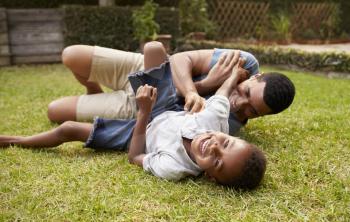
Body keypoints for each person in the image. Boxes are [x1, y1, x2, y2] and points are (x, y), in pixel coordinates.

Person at [0, 43, 266, 189]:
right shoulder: (216, 122)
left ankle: (15, 140)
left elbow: (134, 156)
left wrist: (143, 114)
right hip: (167, 107)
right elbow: (222, 93)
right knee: (153, 48)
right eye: (226, 142)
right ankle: (104, 88)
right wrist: (232, 76)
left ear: (210, 177)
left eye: (216, 161)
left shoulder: (174, 168)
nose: (215, 145)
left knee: (68, 128)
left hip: (140, 130)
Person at [48, 43, 295, 135]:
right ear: (256, 76)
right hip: (146, 68)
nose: (240, 105)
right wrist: (192, 92)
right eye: (246, 93)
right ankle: (93, 90)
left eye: (252, 111)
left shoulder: (229, 124)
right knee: (71, 55)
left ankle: (100, 100)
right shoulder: (244, 61)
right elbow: (180, 59)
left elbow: (167, 113)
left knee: (55, 111)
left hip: (142, 104)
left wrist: (203, 86)